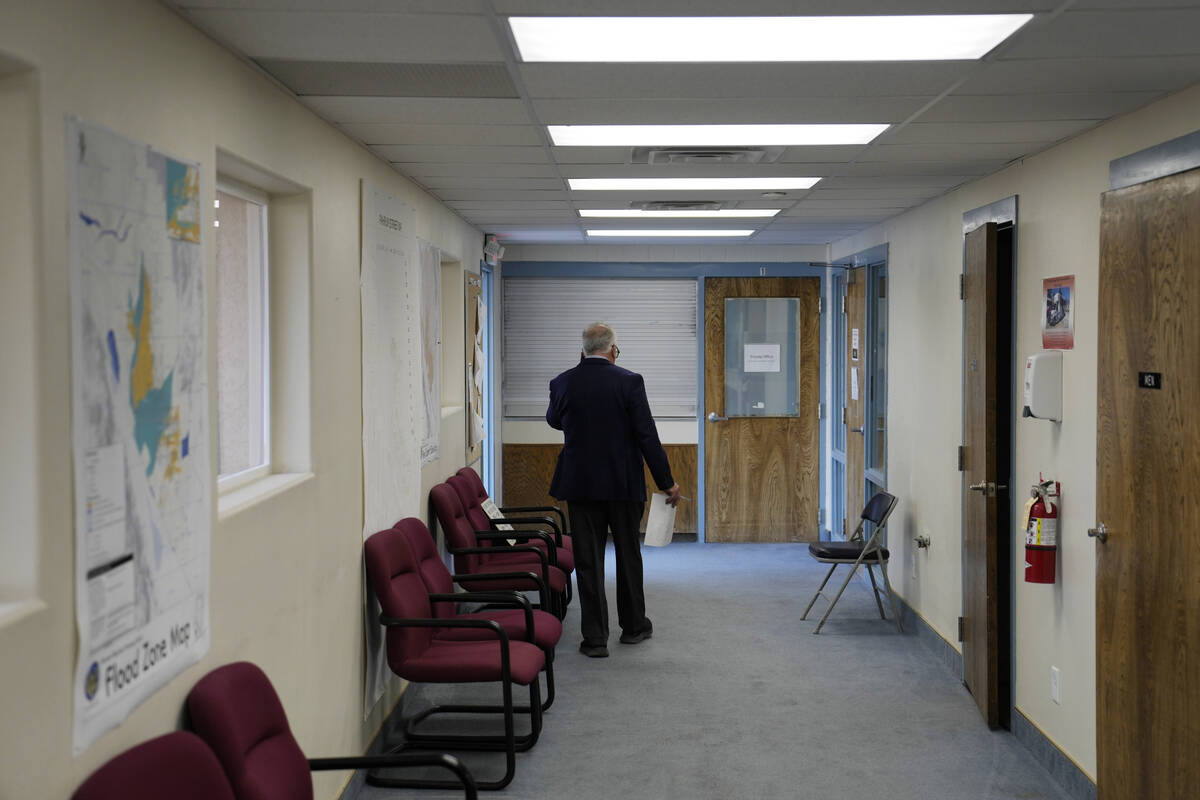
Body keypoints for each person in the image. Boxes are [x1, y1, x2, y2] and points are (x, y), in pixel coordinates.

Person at [547, 322, 681, 658]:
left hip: (581, 486)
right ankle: (634, 627)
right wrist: (667, 482)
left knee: (588, 561)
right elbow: (647, 437)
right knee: (627, 556)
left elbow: (554, 420)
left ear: (582, 350)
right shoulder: (629, 382)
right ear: (613, 350)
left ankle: (595, 638)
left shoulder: (563, 382)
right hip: (623, 485)